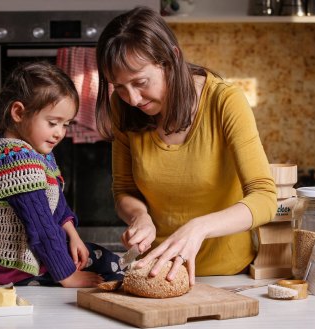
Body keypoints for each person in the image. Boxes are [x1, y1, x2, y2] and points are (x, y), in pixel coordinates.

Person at [95, 7, 277, 285]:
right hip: (158, 274)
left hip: (230, 277)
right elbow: (124, 191)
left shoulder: (225, 102)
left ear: (171, 59)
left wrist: (199, 228)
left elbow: (265, 198)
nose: (131, 98)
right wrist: (140, 216)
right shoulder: (123, 108)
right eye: (118, 86)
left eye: (140, 82)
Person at [0, 61, 123, 288]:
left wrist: (73, 236)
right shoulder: (16, 160)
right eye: (53, 123)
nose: (59, 133)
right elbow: (42, 226)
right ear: (18, 112)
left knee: (100, 257)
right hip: (17, 270)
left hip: (36, 254)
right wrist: (67, 276)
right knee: (110, 268)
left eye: (66, 125)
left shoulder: (33, 150)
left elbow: (56, 203)